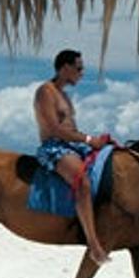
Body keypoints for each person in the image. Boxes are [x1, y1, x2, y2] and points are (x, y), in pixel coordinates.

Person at [34, 49, 112, 265]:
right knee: (83, 182)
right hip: (54, 147)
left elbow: (71, 129)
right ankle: (93, 245)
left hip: (73, 145)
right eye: (78, 68)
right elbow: (54, 129)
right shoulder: (45, 92)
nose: (81, 73)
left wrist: (93, 143)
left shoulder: (64, 96)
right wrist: (89, 140)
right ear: (65, 68)